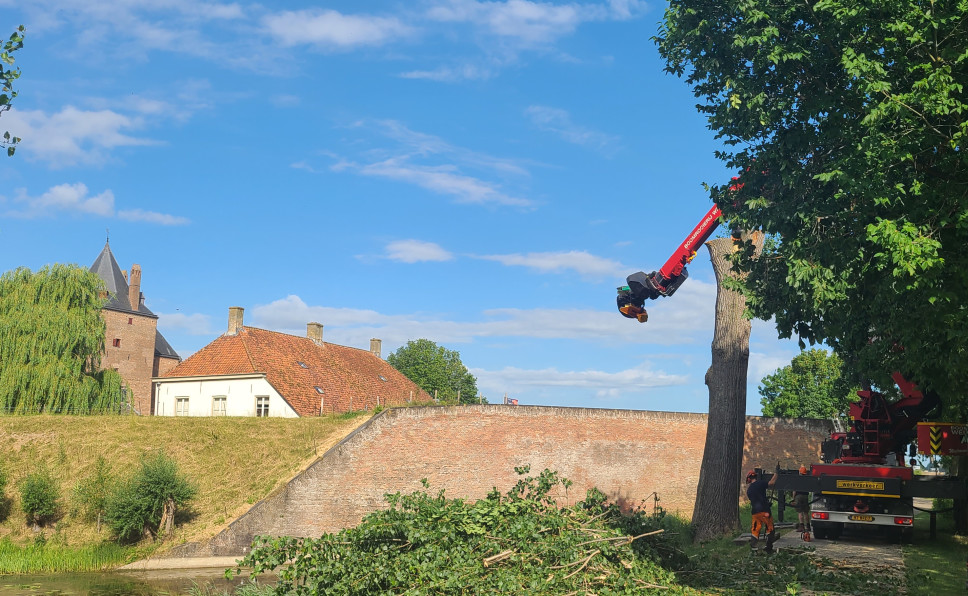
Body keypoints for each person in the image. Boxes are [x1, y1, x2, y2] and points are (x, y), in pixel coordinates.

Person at [746, 469, 778, 552]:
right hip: (765, 511)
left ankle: (754, 547)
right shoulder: (761, 483)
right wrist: (776, 473)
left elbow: (755, 499)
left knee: (755, 529)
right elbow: (771, 483)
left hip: (755, 513)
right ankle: (768, 546)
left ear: (749, 479)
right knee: (769, 528)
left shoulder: (749, 490)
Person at [792, 465, 811, 535]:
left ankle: (802, 526)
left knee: (800, 512)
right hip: (805, 496)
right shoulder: (807, 479)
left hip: (798, 496)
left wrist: (793, 498)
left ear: (799, 472)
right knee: (806, 512)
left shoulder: (797, 479)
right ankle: (808, 526)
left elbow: (794, 490)